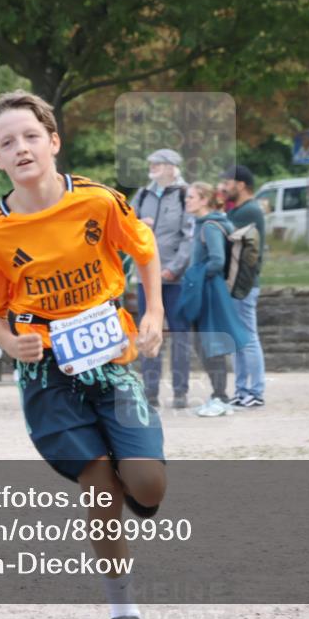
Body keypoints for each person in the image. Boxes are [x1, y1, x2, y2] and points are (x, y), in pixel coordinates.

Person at [0, 90, 166, 619]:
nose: (21, 147)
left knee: (146, 486)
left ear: (53, 141)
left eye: (31, 136)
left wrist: (153, 314)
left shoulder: (97, 201)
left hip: (112, 360)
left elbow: (144, 249)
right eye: (8, 142)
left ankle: (131, 470)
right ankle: (123, 610)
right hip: (46, 372)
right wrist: (9, 343)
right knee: (97, 483)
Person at [130, 148, 193, 409]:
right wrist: (136, 222)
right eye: (151, 163)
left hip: (175, 279)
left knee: (180, 334)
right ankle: (150, 390)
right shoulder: (143, 193)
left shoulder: (184, 194)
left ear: (171, 167)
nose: (152, 166)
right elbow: (123, 221)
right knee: (147, 332)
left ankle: (180, 392)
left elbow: (189, 237)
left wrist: (174, 268)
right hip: (146, 276)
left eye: (157, 163)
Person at [180, 182, 249, 418]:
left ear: (203, 200)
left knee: (211, 344)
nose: (186, 201)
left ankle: (221, 397)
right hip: (206, 289)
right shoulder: (204, 224)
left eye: (190, 197)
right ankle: (218, 395)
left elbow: (217, 261)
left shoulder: (209, 226)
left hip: (209, 291)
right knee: (205, 343)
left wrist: (194, 277)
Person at [221, 164, 267, 408]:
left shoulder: (248, 212)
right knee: (238, 338)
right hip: (235, 285)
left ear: (241, 185)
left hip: (243, 285)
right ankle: (241, 390)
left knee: (248, 337)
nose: (224, 187)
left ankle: (255, 391)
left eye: (228, 183)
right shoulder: (240, 210)